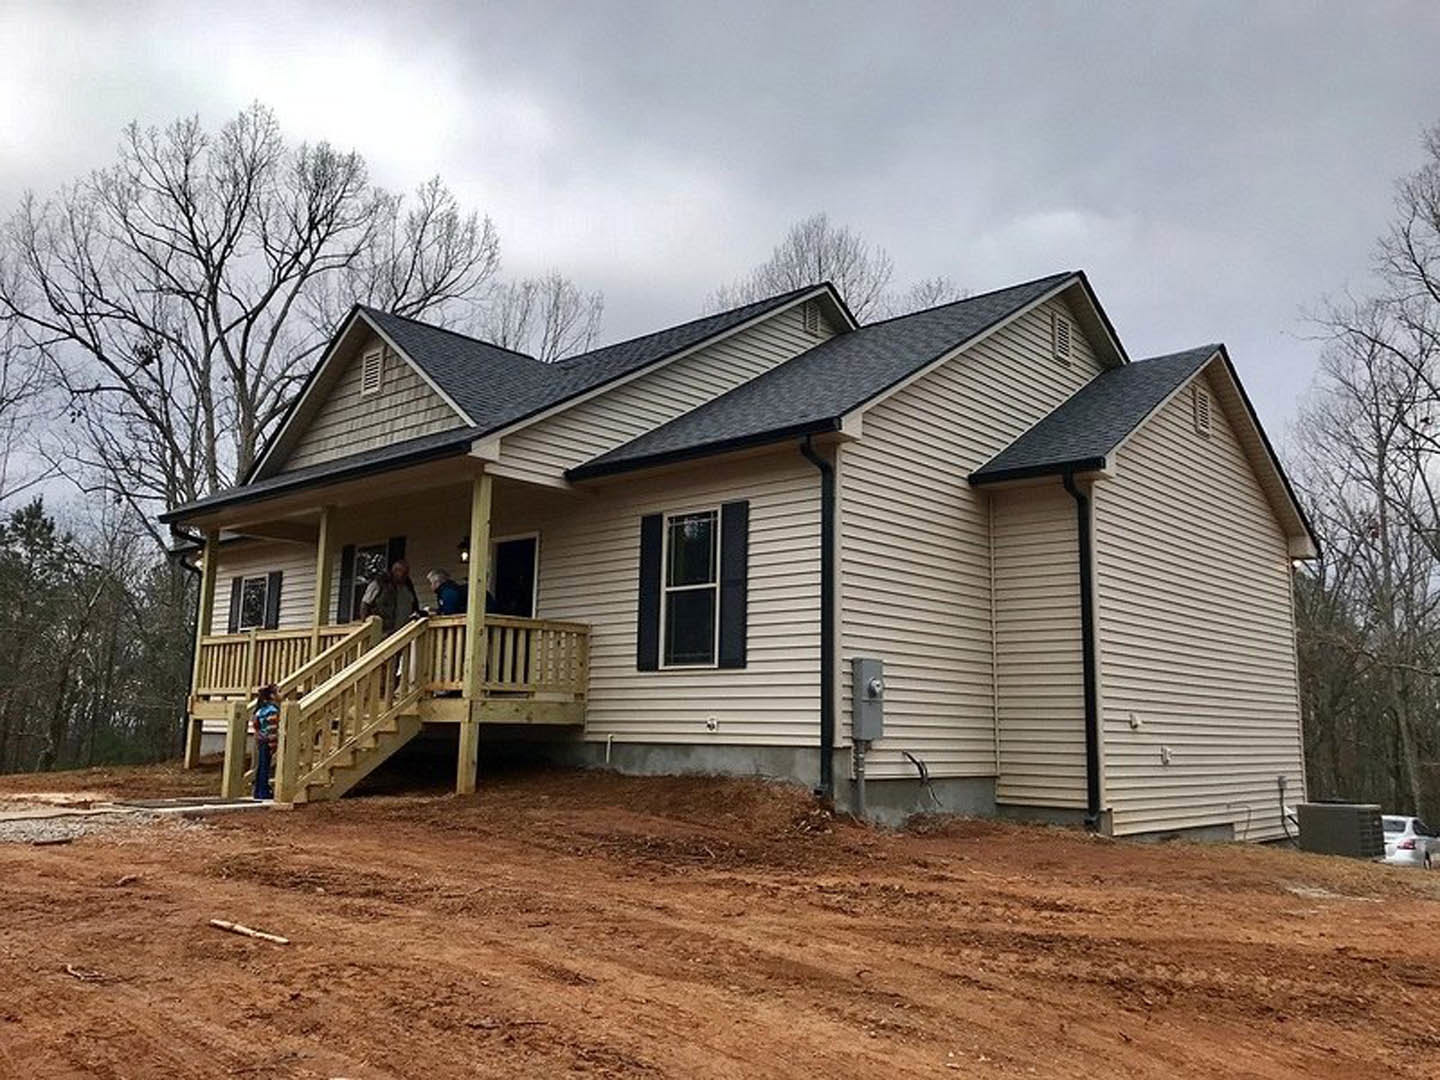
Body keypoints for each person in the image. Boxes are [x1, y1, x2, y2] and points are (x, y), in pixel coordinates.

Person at [361, 559, 420, 633]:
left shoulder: (408, 587)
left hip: (402, 631)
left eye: (407, 573)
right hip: (382, 631)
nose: (405, 576)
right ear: (395, 571)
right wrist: (365, 625)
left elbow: (414, 606)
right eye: (403, 573)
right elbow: (365, 604)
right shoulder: (380, 583)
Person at [252, 684, 279, 801]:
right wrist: (273, 744)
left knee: (261, 765)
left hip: (261, 740)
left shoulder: (260, 710)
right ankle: (263, 791)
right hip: (268, 740)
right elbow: (272, 728)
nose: (281, 694)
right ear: (272, 696)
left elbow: (256, 725)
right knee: (265, 767)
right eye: (279, 692)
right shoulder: (272, 710)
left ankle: (258, 790)